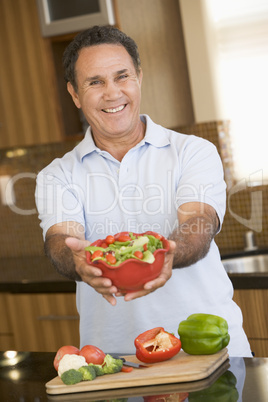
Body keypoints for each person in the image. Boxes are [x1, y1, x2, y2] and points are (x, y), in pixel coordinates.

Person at [35, 25, 252, 357]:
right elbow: (60, 239)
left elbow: (198, 221)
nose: (112, 93)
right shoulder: (58, 174)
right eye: (95, 82)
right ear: (75, 94)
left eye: (122, 77)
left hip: (211, 352)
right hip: (116, 360)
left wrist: (165, 255)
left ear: (139, 78)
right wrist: (77, 261)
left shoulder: (193, 152)